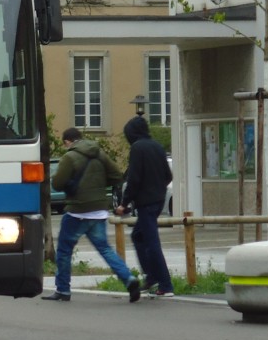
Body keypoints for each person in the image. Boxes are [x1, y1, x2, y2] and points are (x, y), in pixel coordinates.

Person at [43, 128, 141, 303]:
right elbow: (117, 175)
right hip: (99, 210)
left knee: (64, 251)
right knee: (105, 249)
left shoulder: (69, 157)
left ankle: (63, 290)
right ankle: (129, 279)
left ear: (67, 141)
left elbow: (57, 184)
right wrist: (98, 185)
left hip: (77, 210)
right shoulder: (99, 153)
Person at [115, 115, 174, 297]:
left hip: (146, 203)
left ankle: (165, 284)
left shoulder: (137, 148)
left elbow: (133, 179)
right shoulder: (157, 146)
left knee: (152, 243)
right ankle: (151, 277)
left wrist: (124, 203)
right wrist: (157, 189)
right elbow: (168, 176)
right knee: (138, 236)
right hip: (158, 201)